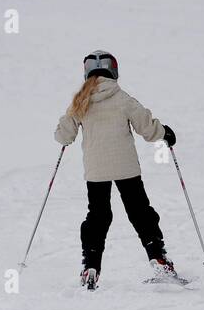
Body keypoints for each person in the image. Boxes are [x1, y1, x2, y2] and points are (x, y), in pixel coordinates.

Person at [54, 50, 179, 289]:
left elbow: (64, 135)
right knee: (140, 212)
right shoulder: (123, 98)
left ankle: (91, 266)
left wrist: (65, 130)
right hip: (126, 167)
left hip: (96, 170)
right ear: (114, 70)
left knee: (98, 217)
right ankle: (159, 259)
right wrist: (165, 133)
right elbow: (147, 127)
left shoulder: (80, 101)